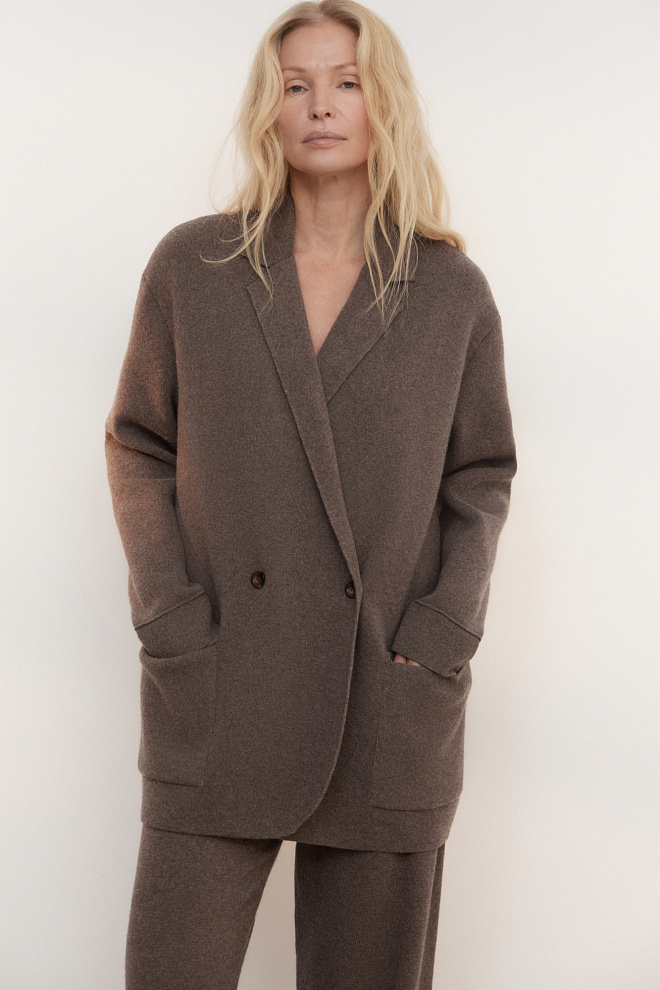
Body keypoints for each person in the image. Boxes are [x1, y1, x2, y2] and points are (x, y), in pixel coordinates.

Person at [104, 2, 517, 987]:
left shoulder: (449, 291)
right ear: (270, 108)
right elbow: (139, 444)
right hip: (219, 681)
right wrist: (170, 616)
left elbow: (480, 475)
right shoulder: (194, 267)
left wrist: (439, 636)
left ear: (385, 103)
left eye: (347, 81)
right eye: (296, 84)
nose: (321, 105)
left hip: (387, 690)